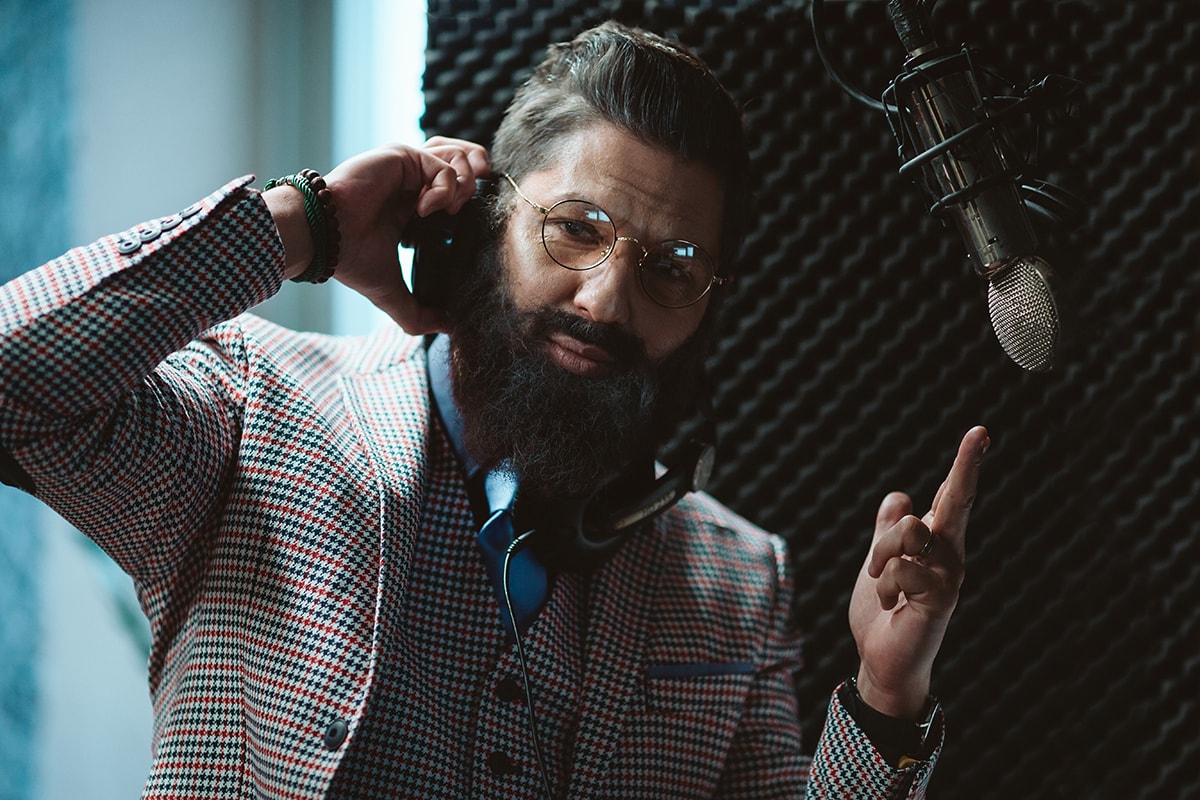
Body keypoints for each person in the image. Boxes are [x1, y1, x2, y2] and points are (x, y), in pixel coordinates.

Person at [0, 20, 987, 799]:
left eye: (672, 267)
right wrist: (306, 221)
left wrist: (884, 700)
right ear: (484, 225)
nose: (607, 300)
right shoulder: (254, 412)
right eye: (575, 229)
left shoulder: (738, 579)